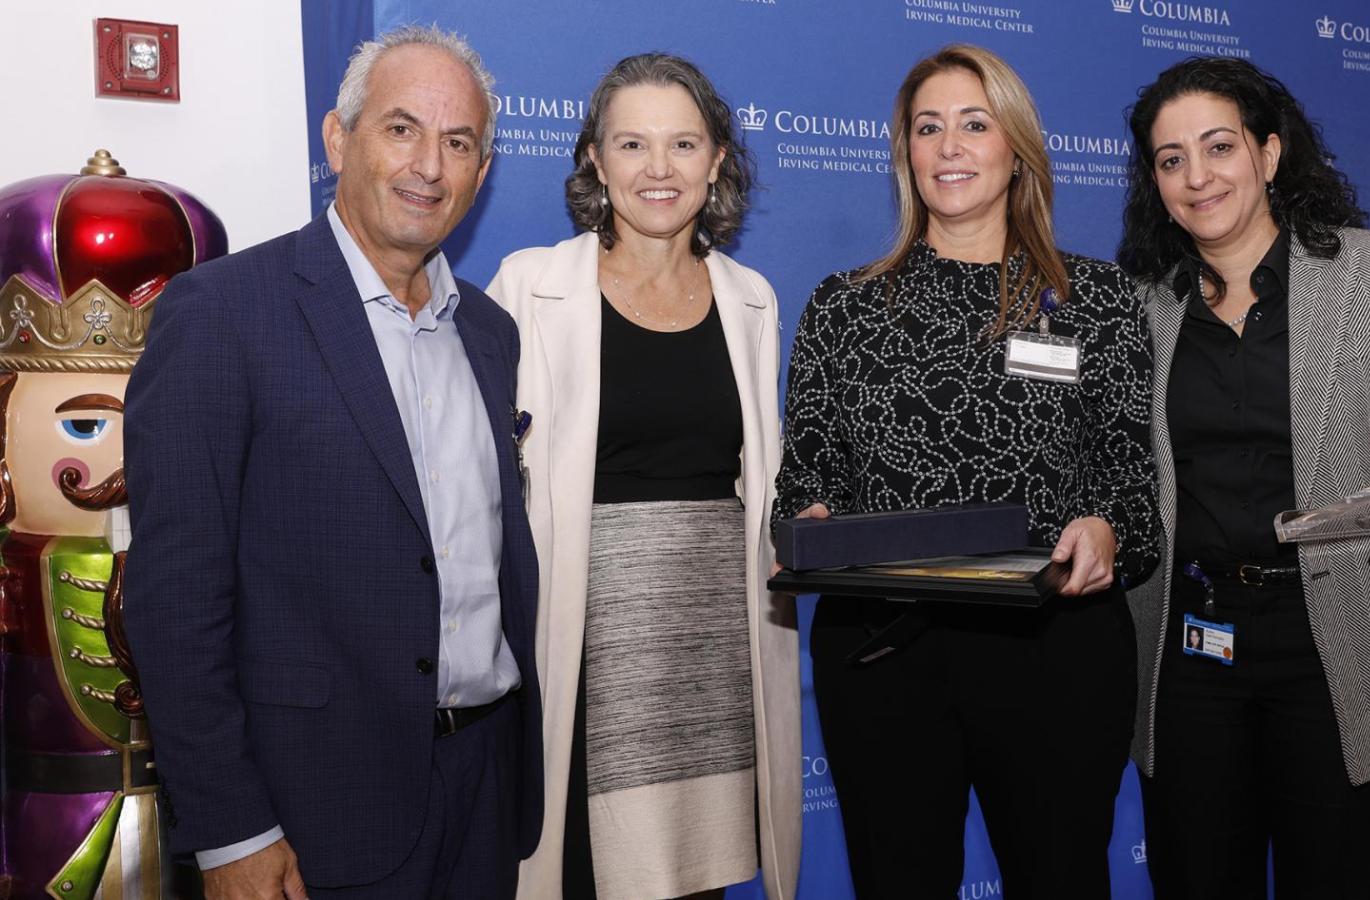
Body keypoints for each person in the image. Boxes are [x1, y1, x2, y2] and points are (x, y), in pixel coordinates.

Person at [122, 24, 542, 899]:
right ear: (338, 138)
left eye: (458, 142)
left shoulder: (490, 335)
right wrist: (231, 828)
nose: (430, 164)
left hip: (483, 792)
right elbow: (176, 599)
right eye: (401, 128)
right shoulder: (224, 316)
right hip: (312, 815)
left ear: (481, 169)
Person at [772, 44, 1159, 898]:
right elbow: (803, 476)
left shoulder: (1094, 300)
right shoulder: (844, 306)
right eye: (928, 127)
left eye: (974, 125)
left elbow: (1132, 488)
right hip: (883, 653)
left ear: (1015, 147)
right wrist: (805, 529)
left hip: (1054, 649)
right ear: (906, 153)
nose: (949, 146)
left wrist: (1106, 531)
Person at [1116, 56, 1370, 899]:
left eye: (1218, 147)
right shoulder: (1142, 306)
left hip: (1343, 644)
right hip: (1191, 648)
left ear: (1269, 153)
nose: (1197, 177)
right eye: (1171, 160)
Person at [485, 53, 799, 900]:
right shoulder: (528, 286)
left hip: (714, 638)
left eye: (683, 145)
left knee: (698, 875)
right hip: (580, 636)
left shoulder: (752, 299)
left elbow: (760, 482)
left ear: (718, 161)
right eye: (632, 144)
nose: (659, 170)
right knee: (585, 872)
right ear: (595, 158)